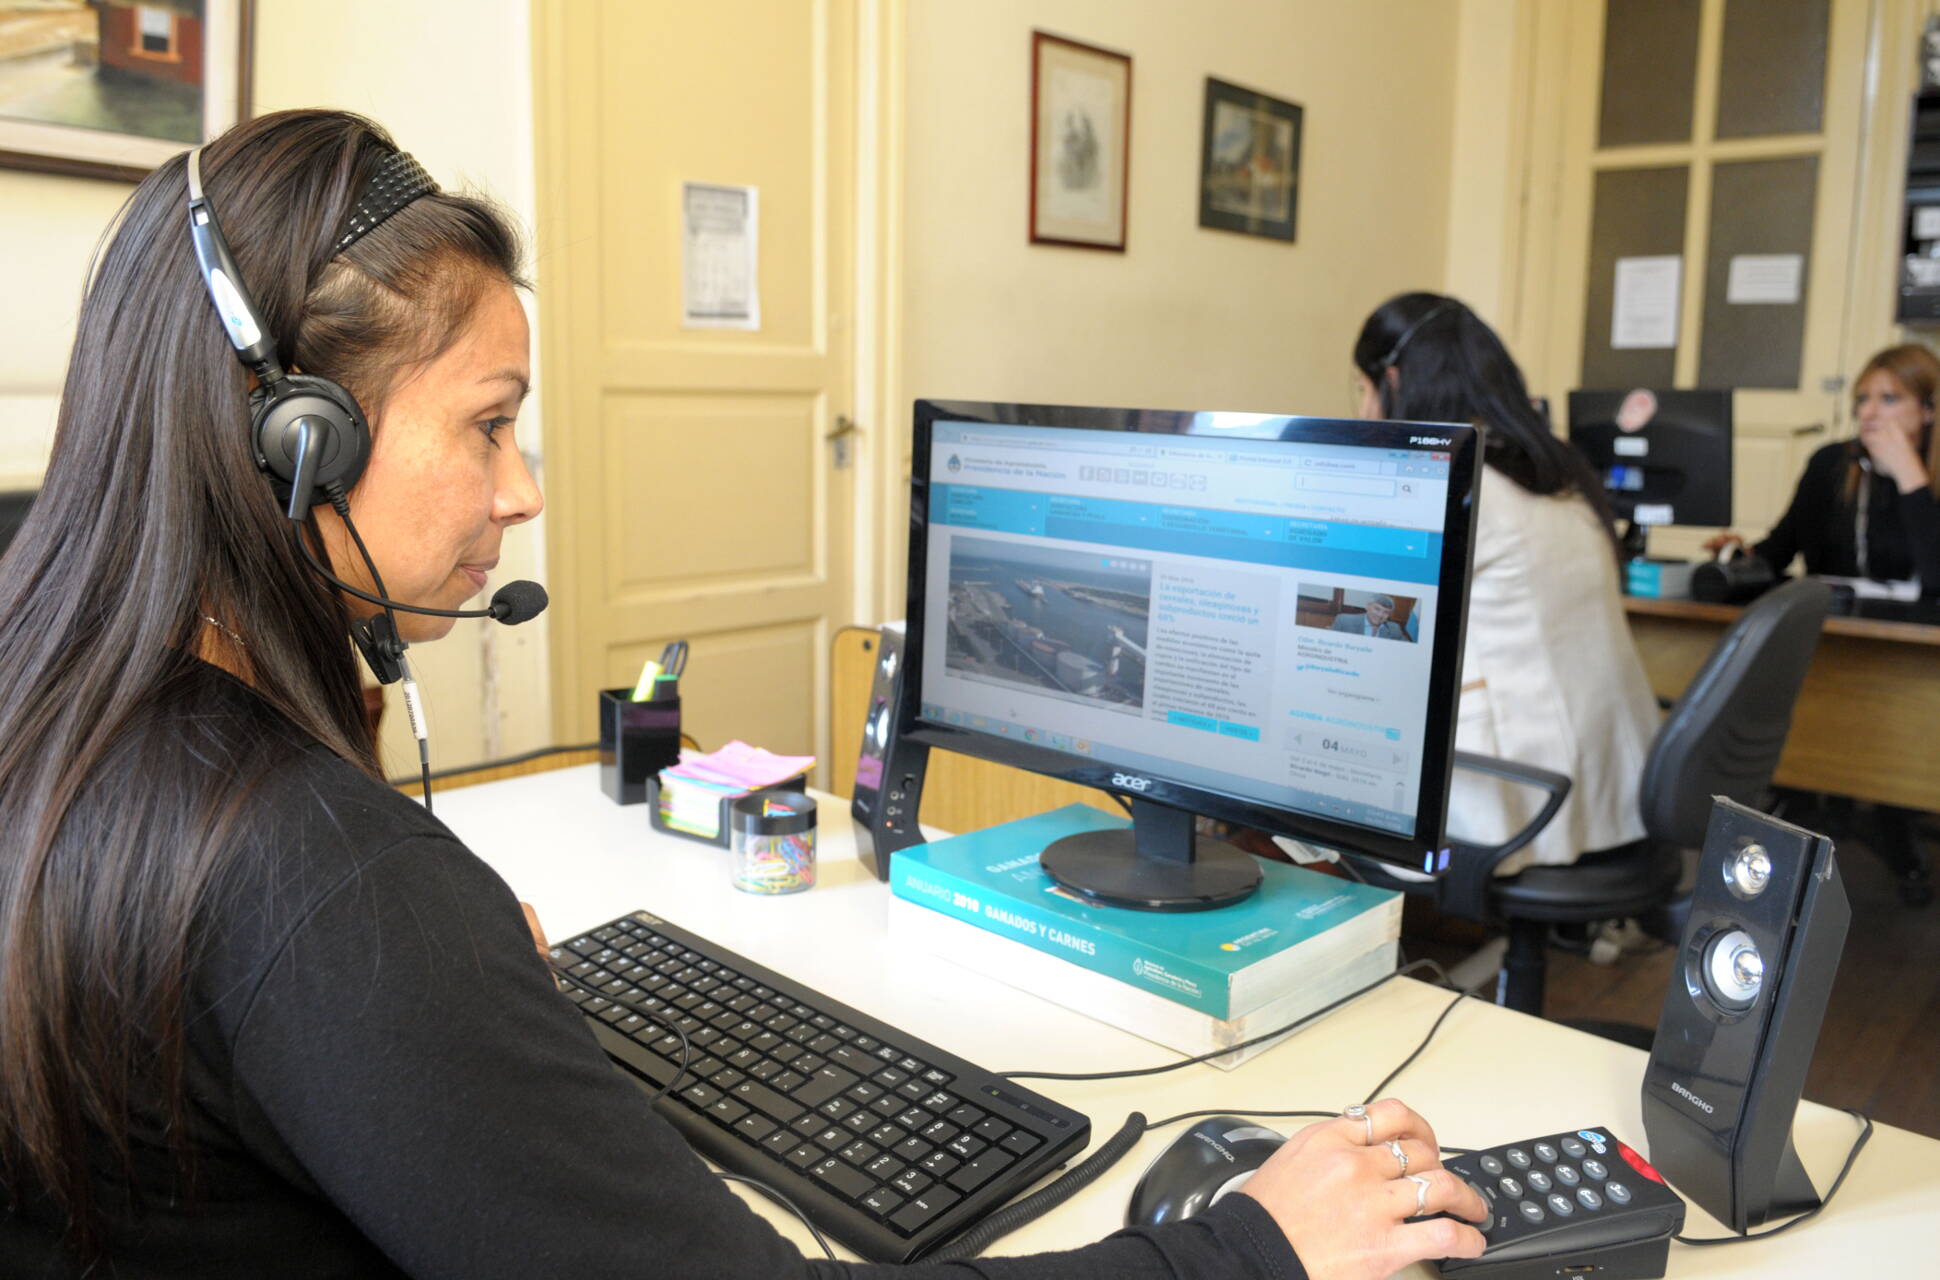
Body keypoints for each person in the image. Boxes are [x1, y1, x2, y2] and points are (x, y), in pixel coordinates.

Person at [0, 109, 1486, 1279]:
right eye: (492, 427)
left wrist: (433, 1013)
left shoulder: (72, 720)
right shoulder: (312, 881)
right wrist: (1252, 1246)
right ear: (296, 446)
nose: (521, 496)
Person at [1350, 293, 1660, 874]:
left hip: (1526, 798)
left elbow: (1377, 625)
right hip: (1611, 780)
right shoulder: (1553, 470)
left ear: (1392, 380)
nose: (1365, 408)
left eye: (1363, 389)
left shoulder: (1459, 485)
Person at [1705, 343, 1940, 595]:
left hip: (1918, 630)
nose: (1868, 412)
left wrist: (1910, 476)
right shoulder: (1832, 462)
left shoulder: (1921, 476)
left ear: (1929, 409)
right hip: (1833, 621)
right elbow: (1780, 550)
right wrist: (1740, 558)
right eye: (1862, 399)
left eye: (1889, 399)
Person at [1330, 593, 1410, 641]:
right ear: (1367, 607)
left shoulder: (1394, 629)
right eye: (1377, 609)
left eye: (1386, 612)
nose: (1380, 615)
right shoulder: (1344, 621)